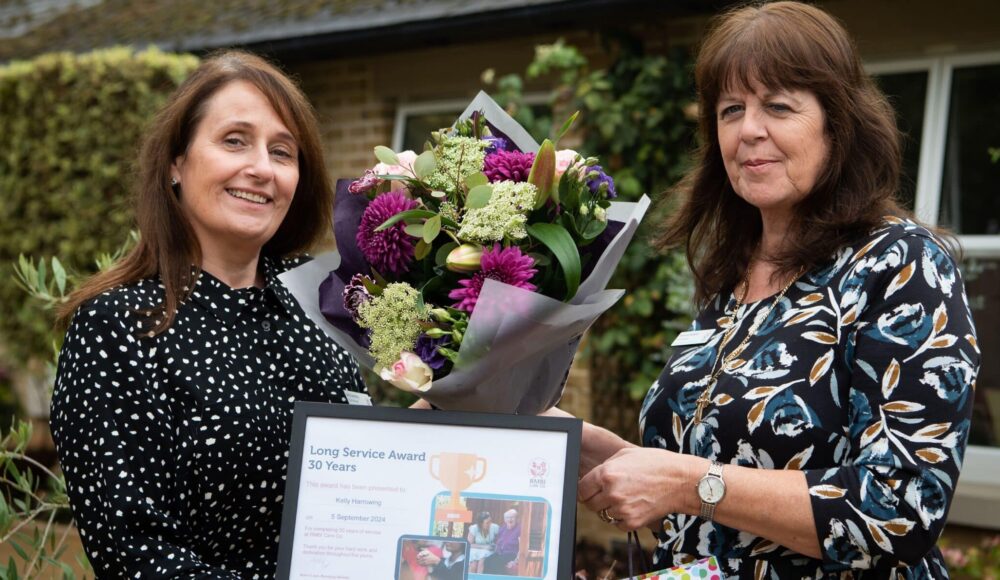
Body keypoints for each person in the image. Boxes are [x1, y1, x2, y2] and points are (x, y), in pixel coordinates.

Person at [548, 2, 981, 578]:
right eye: (731, 109)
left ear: (838, 124)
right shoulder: (729, 282)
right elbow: (712, 487)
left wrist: (683, 484)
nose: (749, 128)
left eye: (778, 106)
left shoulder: (900, 266)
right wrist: (581, 446)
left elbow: (900, 510)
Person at [50, 50, 367, 577]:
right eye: (234, 140)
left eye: (283, 152)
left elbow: (367, 479)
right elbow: (133, 550)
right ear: (177, 163)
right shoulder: (118, 327)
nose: (262, 168)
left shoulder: (324, 305)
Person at [485, 509, 522, 574]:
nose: (509, 520)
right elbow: (498, 541)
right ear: (505, 520)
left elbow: (522, 547)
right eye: (507, 517)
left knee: (496, 563)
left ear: (516, 518)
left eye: (512, 517)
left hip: (512, 554)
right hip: (500, 553)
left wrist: (515, 561)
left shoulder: (520, 529)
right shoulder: (503, 528)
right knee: (487, 561)